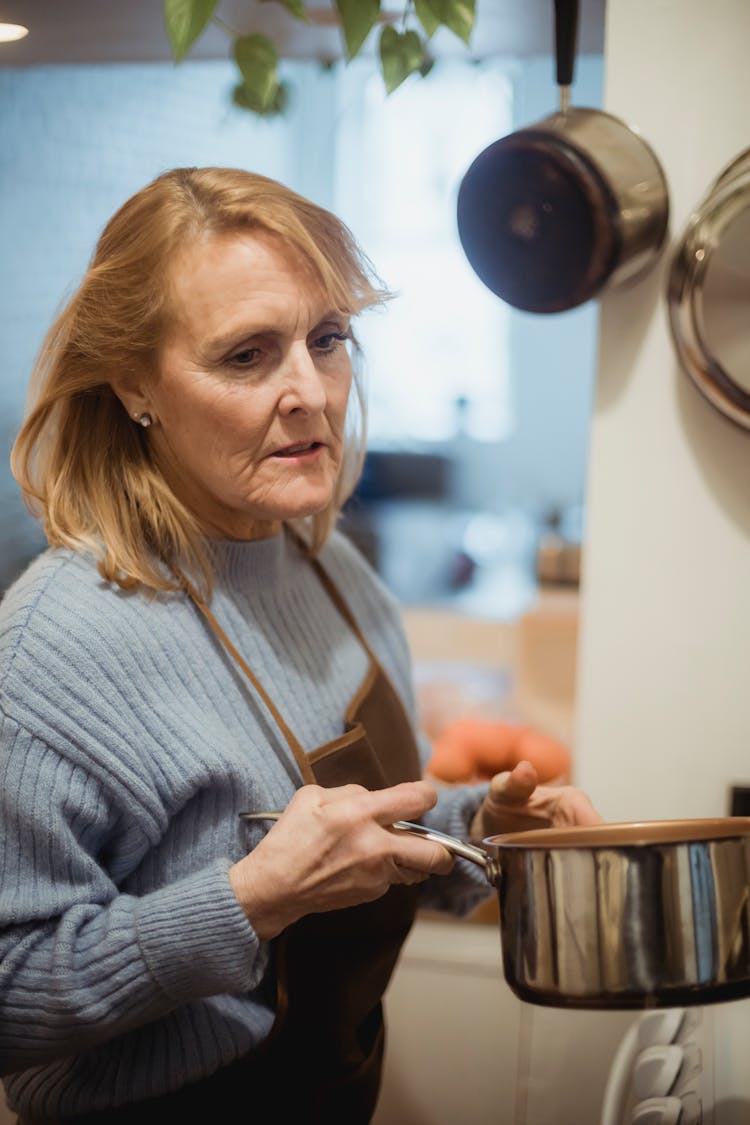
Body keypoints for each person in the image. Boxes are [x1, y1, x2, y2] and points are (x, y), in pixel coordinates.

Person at [0, 166, 601, 1124]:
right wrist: (247, 901)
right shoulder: (54, 649)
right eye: (247, 356)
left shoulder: (332, 573)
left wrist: (476, 834)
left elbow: (357, 843)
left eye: (327, 340)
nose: (311, 392)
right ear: (134, 384)